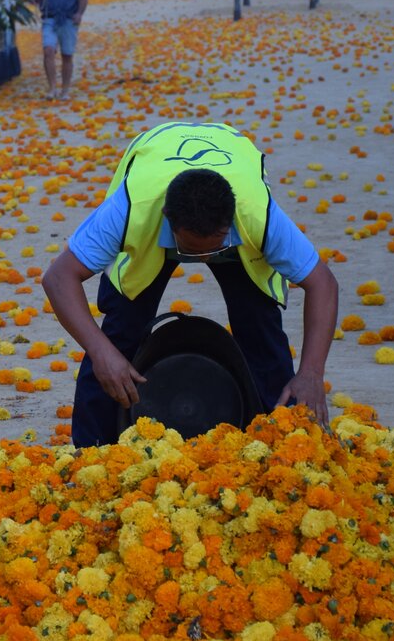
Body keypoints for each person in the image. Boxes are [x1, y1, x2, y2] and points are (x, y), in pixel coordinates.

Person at [42, 122, 340, 446]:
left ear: (230, 221)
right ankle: (92, 448)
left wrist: (312, 372)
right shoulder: (131, 209)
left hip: (234, 206)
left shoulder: (256, 214)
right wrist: (101, 352)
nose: (205, 259)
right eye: (193, 250)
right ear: (168, 219)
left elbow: (322, 283)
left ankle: (283, 443)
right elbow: (58, 278)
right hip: (153, 206)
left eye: (215, 248)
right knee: (119, 334)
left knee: (261, 331)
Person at [30, 0, 89, 100]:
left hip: (69, 18)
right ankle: (52, 88)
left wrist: (79, 13)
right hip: (49, 18)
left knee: (67, 55)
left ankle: (65, 89)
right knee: (48, 51)